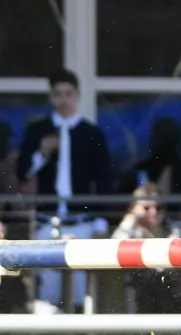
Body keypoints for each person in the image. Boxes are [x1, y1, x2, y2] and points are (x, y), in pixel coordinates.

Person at [16, 70, 115, 313]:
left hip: (81, 220)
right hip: (46, 219)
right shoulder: (37, 130)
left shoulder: (91, 133)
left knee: (80, 289)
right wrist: (42, 153)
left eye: (68, 94)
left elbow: (103, 179)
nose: (63, 100)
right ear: (51, 97)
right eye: (58, 94)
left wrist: (101, 221)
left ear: (78, 96)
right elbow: (22, 172)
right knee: (47, 291)